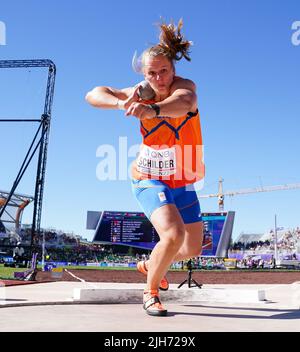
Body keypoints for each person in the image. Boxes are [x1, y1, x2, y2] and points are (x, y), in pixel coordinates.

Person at [86, 19, 205, 316]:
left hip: (184, 180)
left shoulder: (185, 88)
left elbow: (184, 103)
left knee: (192, 249)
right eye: (151, 73)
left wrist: (152, 110)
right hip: (149, 178)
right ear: (144, 74)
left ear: (173, 70)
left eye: (163, 71)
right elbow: (93, 93)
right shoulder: (140, 90)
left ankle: (151, 265)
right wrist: (122, 103)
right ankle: (151, 292)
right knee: (173, 235)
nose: (159, 78)